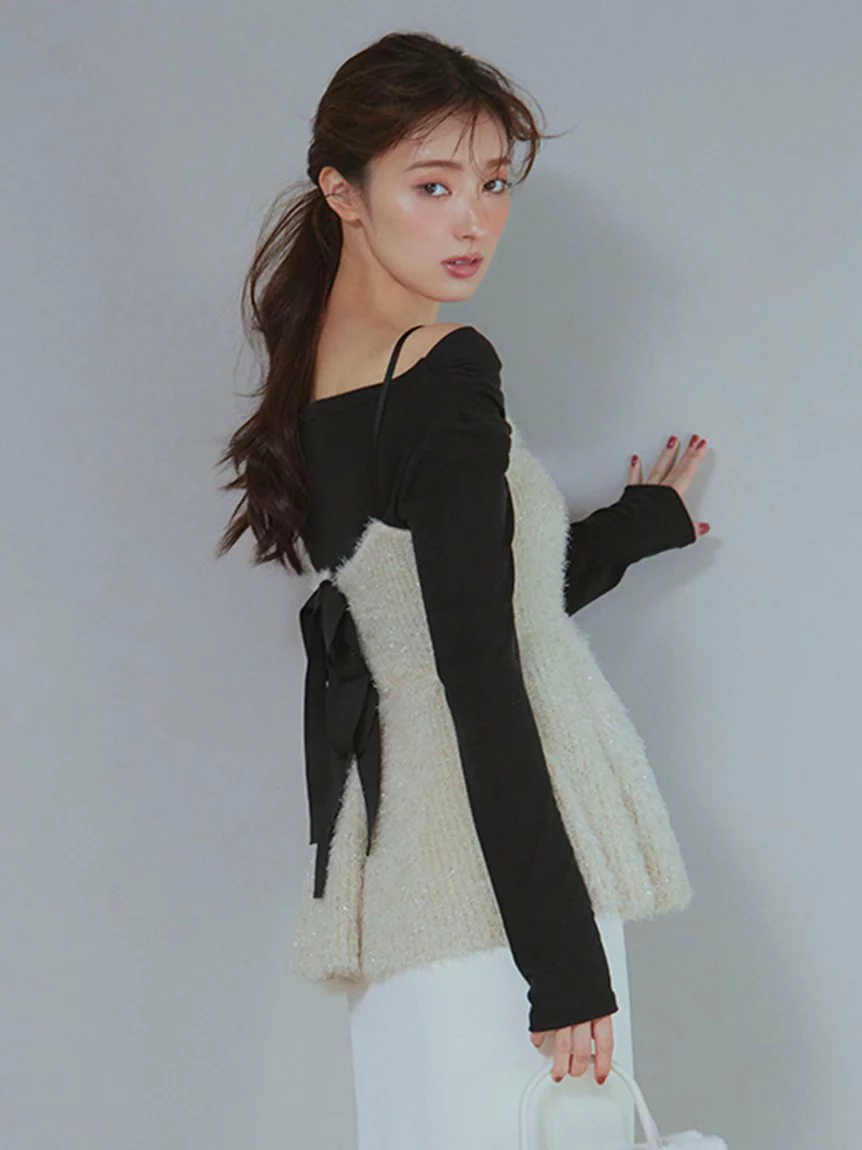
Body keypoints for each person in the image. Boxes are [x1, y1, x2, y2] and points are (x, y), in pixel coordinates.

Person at [216, 29, 710, 1150]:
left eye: (492, 184)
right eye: (432, 185)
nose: (473, 221)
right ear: (343, 193)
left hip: (402, 888)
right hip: (503, 894)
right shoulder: (440, 369)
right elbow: (479, 668)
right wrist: (562, 966)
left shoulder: (316, 376)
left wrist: (638, 527)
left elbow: (450, 605)